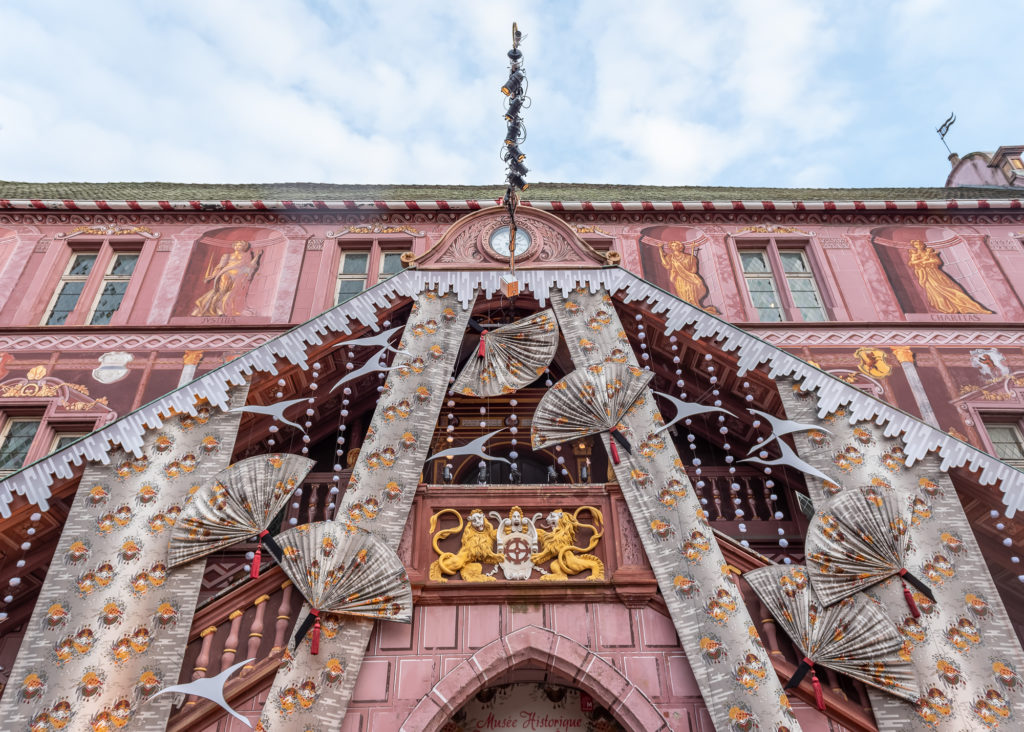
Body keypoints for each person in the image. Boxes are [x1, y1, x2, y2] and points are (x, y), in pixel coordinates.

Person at [906, 239, 992, 314]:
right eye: (917, 244)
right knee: (935, 290)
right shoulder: (914, 254)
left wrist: (927, 261)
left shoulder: (929, 252)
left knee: (954, 288)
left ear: (923, 244)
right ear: (915, 246)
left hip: (936, 273)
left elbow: (937, 261)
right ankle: (947, 308)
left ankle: (972, 307)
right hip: (926, 275)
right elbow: (912, 263)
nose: (919, 245)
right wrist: (925, 261)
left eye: (920, 244)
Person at [191, 240, 262, 316]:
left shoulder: (247, 256)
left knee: (233, 293)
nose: (237, 247)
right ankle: (216, 309)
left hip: (239, 276)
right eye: (236, 245)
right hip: (226, 274)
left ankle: (224, 309)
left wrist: (257, 256)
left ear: (244, 247)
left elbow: (250, 266)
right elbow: (220, 267)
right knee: (222, 292)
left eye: (240, 245)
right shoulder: (228, 255)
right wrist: (212, 276)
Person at [659, 241, 709, 306]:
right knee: (683, 295)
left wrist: (687, 271)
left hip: (689, 279)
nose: (674, 247)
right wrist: (660, 251)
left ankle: (694, 306)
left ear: (680, 246)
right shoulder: (670, 257)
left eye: (676, 245)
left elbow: (694, 270)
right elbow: (667, 266)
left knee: (691, 295)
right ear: (671, 247)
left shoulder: (690, 257)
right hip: (679, 279)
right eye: (673, 246)